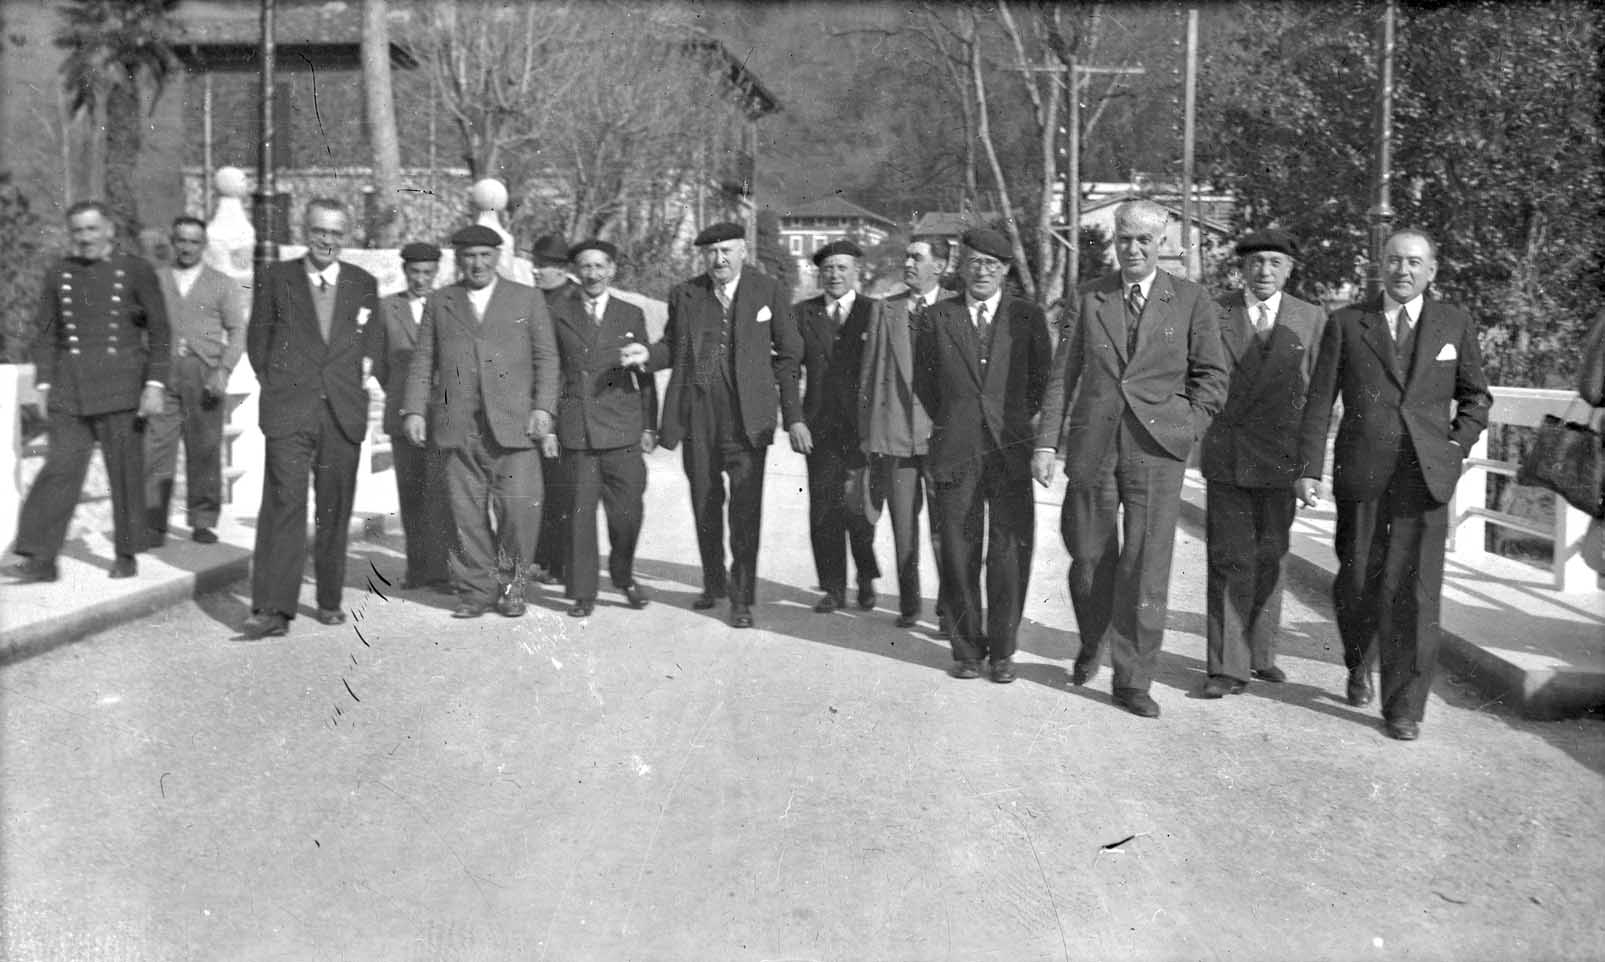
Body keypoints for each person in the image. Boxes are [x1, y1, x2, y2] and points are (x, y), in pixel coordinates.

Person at [1032, 200, 1229, 717]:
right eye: (1125, 239)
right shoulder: (1089, 297)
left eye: (1144, 240)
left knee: (1146, 566)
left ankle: (1133, 677)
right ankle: (1092, 638)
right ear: (1115, 241)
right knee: (1089, 556)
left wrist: (1187, 427)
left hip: (1157, 452)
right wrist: (1047, 443)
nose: (1134, 249)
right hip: (1094, 446)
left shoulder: (1190, 300)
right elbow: (1063, 374)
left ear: (1162, 243)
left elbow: (1212, 376)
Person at [1295, 229, 1491, 741]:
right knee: (1358, 581)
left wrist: (1454, 445)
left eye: (1414, 262)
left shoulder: (1454, 323)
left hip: (1425, 478)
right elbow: (1319, 400)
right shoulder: (1347, 322)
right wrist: (1309, 468)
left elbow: (1477, 399)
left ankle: (1404, 707)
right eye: (1394, 261)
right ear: (1380, 266)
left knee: (1416, 593)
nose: (1403, 270)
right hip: (1362, 473)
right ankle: (1359, 660)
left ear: (1432, 270)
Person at [623, 222, 802, 629]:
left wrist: (771, 390)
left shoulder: (767, 290)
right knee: (704, 502)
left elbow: (790, 350)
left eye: (726, 251)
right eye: (711, 252)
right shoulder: (686, 293)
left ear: (743, 251)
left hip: (745, 418)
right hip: (698, 413)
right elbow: (672, 346)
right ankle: (713, 583)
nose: (719, 260)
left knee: (745, 509)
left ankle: (741, 598)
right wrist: (647, 356)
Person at [914, 228, 1053, 684]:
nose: (982, 272)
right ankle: (968, 651)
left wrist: (1007, 421)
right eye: (974, 262)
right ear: (962, 266)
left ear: (1006, 270)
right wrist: (958, 420)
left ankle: (1004, 652)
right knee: (958, 550)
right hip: (956, 448)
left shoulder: (1027, 316)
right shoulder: (937, 317)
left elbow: (1039, 383)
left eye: (992, 265)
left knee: (1009, 550)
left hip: (1009, 448)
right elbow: (926, 384)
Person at [2, 200, 168, 582]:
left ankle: (126, 552)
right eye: (78, 230)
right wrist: (44, 382)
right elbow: (46, 332)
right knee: (59, 468)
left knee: (124, 472)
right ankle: (42, 558)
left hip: (122, 387)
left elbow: (160, 330)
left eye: (92, 229)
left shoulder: (136, 270)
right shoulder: (59, 273)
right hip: (70, 388)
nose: (85, 237)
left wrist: (155, 383)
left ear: (109, 230)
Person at [1195, 229, 1328, 698]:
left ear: (1289, 270)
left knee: (1271, 556)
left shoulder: (1311, 318)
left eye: (1274, 262)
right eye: (1255, 262)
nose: (1264, 271)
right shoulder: (1215, 312)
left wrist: (1311, 466)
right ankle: (1226, 667)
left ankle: (1260, 653)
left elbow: (1319, 398)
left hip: (1282, 457)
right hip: (1228, 453)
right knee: (1228, 558)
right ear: (1242, 268)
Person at [401, 224, 559, 619]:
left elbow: (547, 358)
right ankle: (476, 592)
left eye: (485, 256)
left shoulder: (527, 298)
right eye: (469, 256)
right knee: (464, 516)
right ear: (458, 259)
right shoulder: (441, 301)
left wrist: (544, 408)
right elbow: (423, 359)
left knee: (519, 512)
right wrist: (415, 409)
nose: (477, 264)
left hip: (515, 426)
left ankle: (512, 586)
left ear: (497, 257)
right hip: (458, 426)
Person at [241, 198, 381, 638]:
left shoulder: (363, 284)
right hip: (290, 411)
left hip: (341, 413)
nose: (327, 240)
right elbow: (258, 343)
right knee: (284, 503)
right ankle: (273, 608)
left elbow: (371, 344)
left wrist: (350, 381)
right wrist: (282, 385)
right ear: (306, 231)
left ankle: (329, 598)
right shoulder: (275, 278)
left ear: (347, 237)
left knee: (334, 510)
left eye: (336, 233)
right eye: (320, 231)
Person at [546, 240, 657, 618]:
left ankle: (623, 576)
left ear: (612, 270)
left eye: (599, 266)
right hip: (577, 430)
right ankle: (583, 592)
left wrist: (650, 425)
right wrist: (549, 424)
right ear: (576, 272)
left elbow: (644, 373)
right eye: (585, 267)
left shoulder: (630, 313)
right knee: (579, 516)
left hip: (622, 429)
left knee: (627, 515)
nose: (592, 274)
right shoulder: (559, 313)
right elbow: (553, 372)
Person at [859, 236, 953, 629]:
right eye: (907, 257)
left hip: (944, 438)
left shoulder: (957, 307)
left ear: (940, 266)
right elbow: (869, 376)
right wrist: (869, 435)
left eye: (917, 257)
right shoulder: (886, 309)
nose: (908, 263)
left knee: (946, 529)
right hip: (896, 435)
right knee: (903, 526)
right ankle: (910, 603)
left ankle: (950, 609)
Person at [143, 215, 247, 549]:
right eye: (181, 240)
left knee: (204, 448)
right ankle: (153, 523)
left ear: (203, 245)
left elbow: (237, 331)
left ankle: (203, 520)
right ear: (172, 242)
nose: (187, 247)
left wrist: (224, 369)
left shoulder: (221, 283)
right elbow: (140, 326)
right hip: (163, 373)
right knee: (157, 449)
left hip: (205, 374)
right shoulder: (156, 279)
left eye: (194, 241)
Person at [793, 239, 880, 613]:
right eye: (828, 268)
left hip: (863, 430)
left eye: (842, 267)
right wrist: (794, 419)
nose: (834, 275)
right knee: (824, 508)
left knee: (858, 508)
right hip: (820, 428)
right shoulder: (803, 313)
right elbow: (788, 369)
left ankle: (865, 576)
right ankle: (833, 587)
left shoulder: (875, 312)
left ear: (856, 271)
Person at [369, 241, 452, 590]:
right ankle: (418, 570)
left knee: (444, 493)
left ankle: (445, 571)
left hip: (445, 415)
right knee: (412, 492)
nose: (421, 279)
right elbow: (378, 363)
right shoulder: (387, 307)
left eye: (427, 273)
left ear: (437, 272)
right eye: (415, 272)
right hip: (403, 414)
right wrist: (403, 397)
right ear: (405, 271)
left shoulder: (451, 305)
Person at [529, 232, 579, 586]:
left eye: (543, 266)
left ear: (561, 269)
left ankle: (558, 563)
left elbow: (565, 368)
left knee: (561, 491)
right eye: (536, 264)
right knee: (539, 490)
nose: (536, 270)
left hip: (559, 413)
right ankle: (543, 558)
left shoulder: (572, 302)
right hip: (533, 409)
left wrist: (553, 422)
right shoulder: (535, 298)